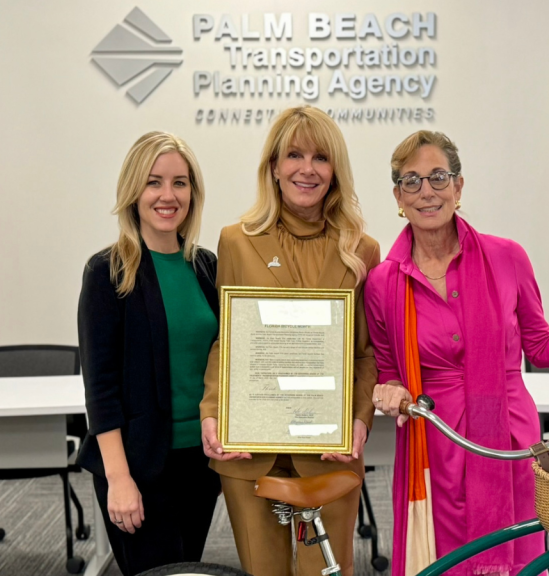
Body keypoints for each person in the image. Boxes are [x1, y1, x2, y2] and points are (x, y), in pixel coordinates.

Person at [365, 130, 549, 576]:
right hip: (436, 442)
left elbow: (540, 345)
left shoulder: (507, 258)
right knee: (449, 561)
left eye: (438, 177)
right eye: (412, 181)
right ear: (398, 196)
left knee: (517, 553)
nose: (427, 191)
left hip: (508, 436)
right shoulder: (383, 282)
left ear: (458, 187)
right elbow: (388, 370)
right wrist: (388, 390)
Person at [198, 106, 380, 576]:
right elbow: (227, 342)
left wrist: (360, 419)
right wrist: (212, 411)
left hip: (330, 450)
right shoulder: (236, 241)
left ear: (335, 170)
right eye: (294, 155)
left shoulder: (361, 249)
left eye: (321, 157)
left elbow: (365, 353)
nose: (307, 169)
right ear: (274, 167)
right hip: (248, 450)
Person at [76, 132, 221, 576]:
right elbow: (100, 389)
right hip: (137, 465)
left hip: (199, 464)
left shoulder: (206, 267)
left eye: (180, 183)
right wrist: (118, 478)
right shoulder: (108, 271)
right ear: (133, 191)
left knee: (188, 570)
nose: (167, 195)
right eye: (153, 182)